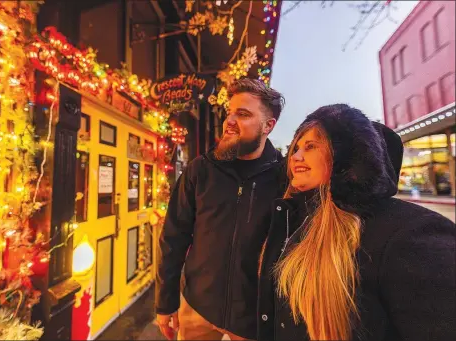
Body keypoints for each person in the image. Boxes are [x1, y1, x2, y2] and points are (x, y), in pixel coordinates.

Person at [257, 104, 455, 341]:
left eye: (310, 147)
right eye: (296, 148)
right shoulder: (296, 219)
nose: (295, 156)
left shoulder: (410, 233)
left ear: (346, 157)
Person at [156, 78, 286, 340]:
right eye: (230, 112)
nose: (230, 121)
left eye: (243, 114)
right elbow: (174, 237)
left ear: (268, 126)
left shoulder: (283, 179)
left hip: (254, 318)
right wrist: (166, 301)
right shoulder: (200, 171)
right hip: (197, 308)